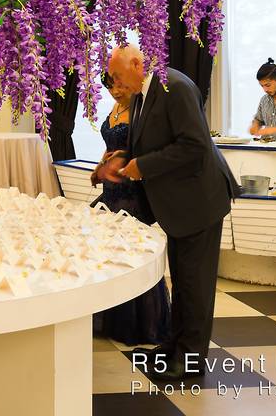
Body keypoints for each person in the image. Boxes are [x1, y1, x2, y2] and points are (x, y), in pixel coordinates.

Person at [106, 45, 239, 383]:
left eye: (119, 77)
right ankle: (173, 348)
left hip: (199, 198)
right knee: (181, 281)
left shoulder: (175, 87)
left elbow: (194, 146)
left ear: (138, 64)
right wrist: (120, 159)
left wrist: (143, 166)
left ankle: (191, 361)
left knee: (196, 285)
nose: (117, 85)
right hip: (178, 203)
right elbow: (146, 143)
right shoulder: (140, 94)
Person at [90, 72, 171, 346]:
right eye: (111, 86)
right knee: (106, 250)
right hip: (110, 188)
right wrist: (99, 168)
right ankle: (109, 317)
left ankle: (139, 324)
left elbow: (142, 148)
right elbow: (110, 147)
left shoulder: (139, 107)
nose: (115, 90)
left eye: (120, 84)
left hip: (131, 188)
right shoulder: (115, 108)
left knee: (130, 251)